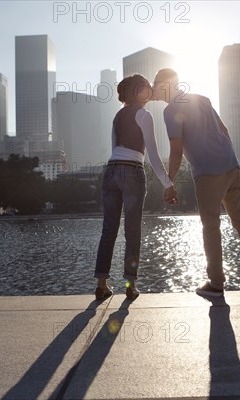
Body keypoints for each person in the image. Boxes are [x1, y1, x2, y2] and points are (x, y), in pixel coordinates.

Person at [152, 68, 240, 297]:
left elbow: (176, 150)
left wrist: (168, 182)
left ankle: (216, 283)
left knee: (211, 226)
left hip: (208, 173)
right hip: (231, 166)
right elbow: (224, 130)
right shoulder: (202, 99)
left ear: (165, 85)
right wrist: (226, 156)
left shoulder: (171, 109)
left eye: (155, 84)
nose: (153, 89)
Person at [94, 74, 175, 301]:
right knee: (133, 231)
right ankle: (130, 285)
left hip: (111, 172)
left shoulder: (117, 116)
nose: (150, 90)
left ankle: (102, 284)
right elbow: (153, 156)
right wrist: (168, 184)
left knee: (108, 229)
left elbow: (114, 150)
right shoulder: (144, 115)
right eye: (145, 87)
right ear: (137, 92)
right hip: (132, 171)